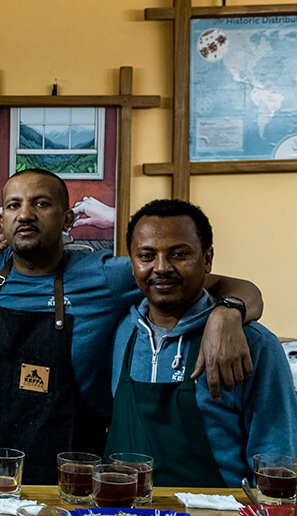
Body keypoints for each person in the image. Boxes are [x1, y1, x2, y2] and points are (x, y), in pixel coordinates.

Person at [0, 169, 263, 484]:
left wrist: (227, 314)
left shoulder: (106, 275)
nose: (26, 214)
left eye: (41, 204)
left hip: (75, 469)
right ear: (2, 220)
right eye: (14, 205)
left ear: (68, 219)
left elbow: (220, 284)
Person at [105, 199, 297, 487]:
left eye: (179, 254)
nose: (162, 267)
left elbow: (278, 464)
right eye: (146, 256)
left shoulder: (255, 344)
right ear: (131, 264)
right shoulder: (124, 332)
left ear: (207, 259)